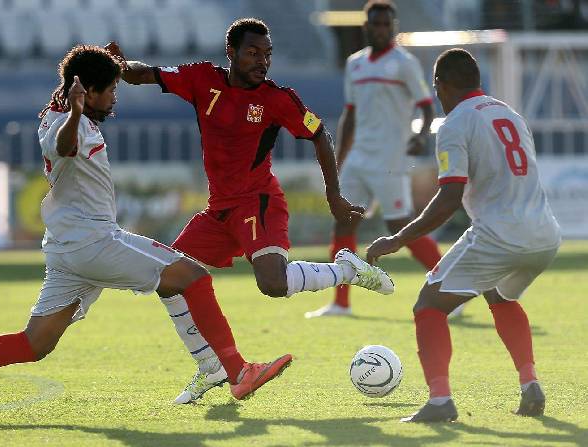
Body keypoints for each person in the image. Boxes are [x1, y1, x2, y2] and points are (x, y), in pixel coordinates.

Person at [0, 45, 293, 424]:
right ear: (88, 93)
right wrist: (77, 113)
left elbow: (75, 85)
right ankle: (238, 372)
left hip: (70, 249)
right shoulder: (65, 123)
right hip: (93, 243)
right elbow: (65, 145)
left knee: (35, 343)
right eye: (110, 89)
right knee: (192, 276)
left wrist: (106, 64)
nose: (115, 97)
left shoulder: (58, 109)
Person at [107, 17, 394, 404]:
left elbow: (319, 134)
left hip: (257, 201)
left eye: (267, 54)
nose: (262, 61)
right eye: (253, 52)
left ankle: (347, 269)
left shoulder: (277, 99)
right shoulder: (201, 79)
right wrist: (124, 69)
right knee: (169, 278)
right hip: (219, 211)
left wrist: (334, 196)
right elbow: (150, 75)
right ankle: (210, 367)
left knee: (272, 285)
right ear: (232, 53)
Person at [367, 48, 561, 422]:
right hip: (545, 235)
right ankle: (529, 383)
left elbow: (448, 200)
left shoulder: (455, 123)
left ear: (440, 85)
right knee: (499, 295)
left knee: (429, 304)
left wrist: (397, 239)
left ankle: (440, 401)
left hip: (499, 236)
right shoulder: (510, 113)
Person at [305, 0, 444, 319]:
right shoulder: (355, 64)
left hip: (391, 161)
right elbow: (350, 116)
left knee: (400, 227)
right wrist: (338, 160)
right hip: (358, 160)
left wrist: (421, 134)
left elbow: (426, 106)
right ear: (366, 26)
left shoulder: (405, 63)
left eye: (386, 24)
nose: (380, 29)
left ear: (393, 27)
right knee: (343, 222)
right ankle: (340, 302)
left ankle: (452, 290)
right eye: (375, 24)